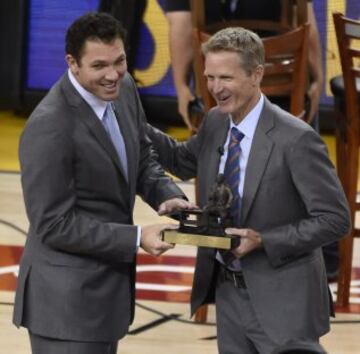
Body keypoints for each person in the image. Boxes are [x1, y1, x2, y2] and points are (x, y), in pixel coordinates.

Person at [147, 27, 350, 353]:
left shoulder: (296, 139)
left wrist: (264, 241)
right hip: (229, 295)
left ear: (256, 74)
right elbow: (182, 161)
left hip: (283, 302)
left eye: (225, 78)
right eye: (210, 77)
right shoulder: (215, 121)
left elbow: (335, 219)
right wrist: (130, 117)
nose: (215, 88)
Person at [12, 12, 195, 354]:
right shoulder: (50, 127)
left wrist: (166, 195)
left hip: (103, 299)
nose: (112, 75)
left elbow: (140, 155)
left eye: (120, 61)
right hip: (65, 308)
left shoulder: (123, 89)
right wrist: (138, 237)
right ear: (73, 63)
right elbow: (53, 225)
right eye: (99, 66)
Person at [164, 0, 323, 132]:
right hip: (279, 82)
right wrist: (317, 79)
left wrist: (182, 87)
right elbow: (305, 20)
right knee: (305, 92)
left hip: (216, 87)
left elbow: (181, 25)